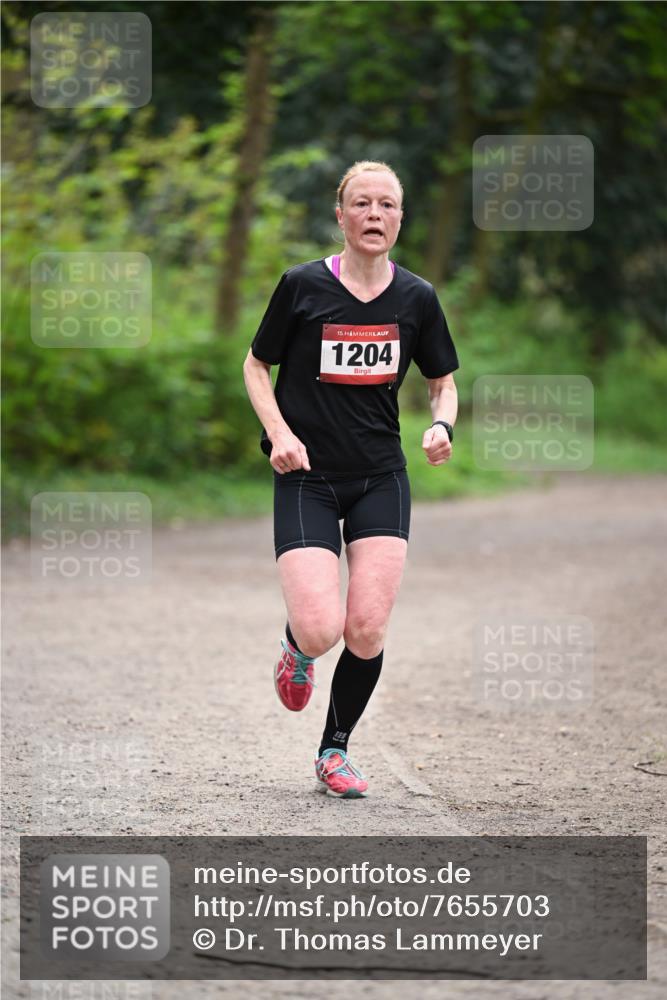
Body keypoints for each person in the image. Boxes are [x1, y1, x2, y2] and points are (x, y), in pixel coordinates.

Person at [243, 160, 459, 798]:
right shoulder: (302, 286)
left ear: (399, 218)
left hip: (379, 477)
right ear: (340, 216)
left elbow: (442, 383)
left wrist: (442, 426)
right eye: (361, 204)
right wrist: (280, 434)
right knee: (321, 629)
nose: (374, 215)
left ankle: (334, 751)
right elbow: (257, 367)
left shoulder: (416, 297)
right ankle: (296, 647)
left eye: (387, 205)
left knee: (366, 627)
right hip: (306, 473)